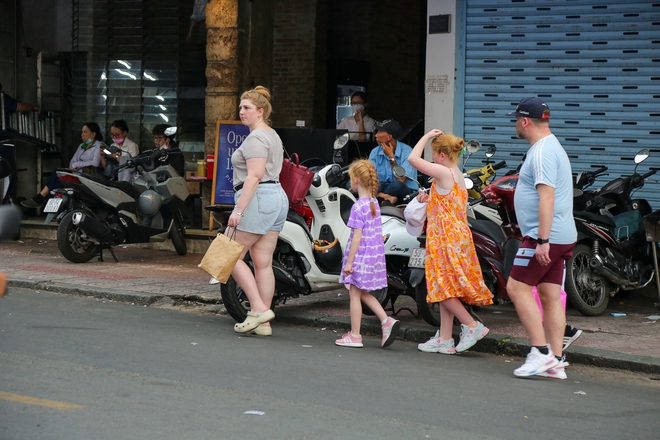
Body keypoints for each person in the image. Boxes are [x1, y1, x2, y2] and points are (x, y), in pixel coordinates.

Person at [505, 97, 577, 379]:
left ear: (525, 122)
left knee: (517, 288)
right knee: (549, 295)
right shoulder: (551, 146)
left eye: (516, 119)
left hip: (545, 235)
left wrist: (542, 240)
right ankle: (556, 360)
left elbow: (546, 197)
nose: (515, 124)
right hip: (562, 234)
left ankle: (540, 352)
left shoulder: (541, 152)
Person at [408, 130, 493, 354]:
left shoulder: (443, 171)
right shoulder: (456, 173)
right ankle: (445, 338)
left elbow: (412, 159)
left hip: (445, 237)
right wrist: (430, 199)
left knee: (441, 285)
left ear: (443, 154)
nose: (433, 157)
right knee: (448, 286)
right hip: (459, 236)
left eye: (434, 153)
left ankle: (472, 325)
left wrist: (425, 136)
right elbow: (447, 204)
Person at [227, 86, 289, 336]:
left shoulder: (255, 138)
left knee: (228, 255)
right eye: (241, 107)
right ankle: (263, 324)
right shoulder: (272, 134)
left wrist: (238, 211)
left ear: (260, 111)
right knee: (263, 264)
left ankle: (258, 310)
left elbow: (254, 175)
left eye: (247, 108)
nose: (241, 112)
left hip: (258, 199)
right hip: (276, 198)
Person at [335, 159, 400, 348]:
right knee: (361, 292)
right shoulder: (373, 203)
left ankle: (355, 335)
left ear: (355, 180)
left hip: (360, 256)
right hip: (373, 256)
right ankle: (386, 321)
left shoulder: (357, 207)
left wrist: (349, 263)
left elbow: (357, 237)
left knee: (354, 295)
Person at [21, 122, 103, 208]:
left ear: (93, 134)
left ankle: (41, 198)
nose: (82, 135)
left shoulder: (99, 146)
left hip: (87, 177)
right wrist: (73, 167)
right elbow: (73, 160)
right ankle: (55, 208)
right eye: (82, 132)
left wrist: (78, 164)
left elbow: (96, 163)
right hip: (76, 174)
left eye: (85, 132)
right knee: (58, 177)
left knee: (57, 174)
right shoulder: (82, 146)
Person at [369, 119, 418, 204]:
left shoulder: (407, 151)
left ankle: (380, 196)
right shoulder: (375, 152)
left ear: (389, 137)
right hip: (382, 187)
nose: (376, 135)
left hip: (404, 192)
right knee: (355, 184)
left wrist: (391, 157)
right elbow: (369, 176)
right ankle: (385, 197)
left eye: (380, 132)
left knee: (396, 185)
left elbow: (401, 179)